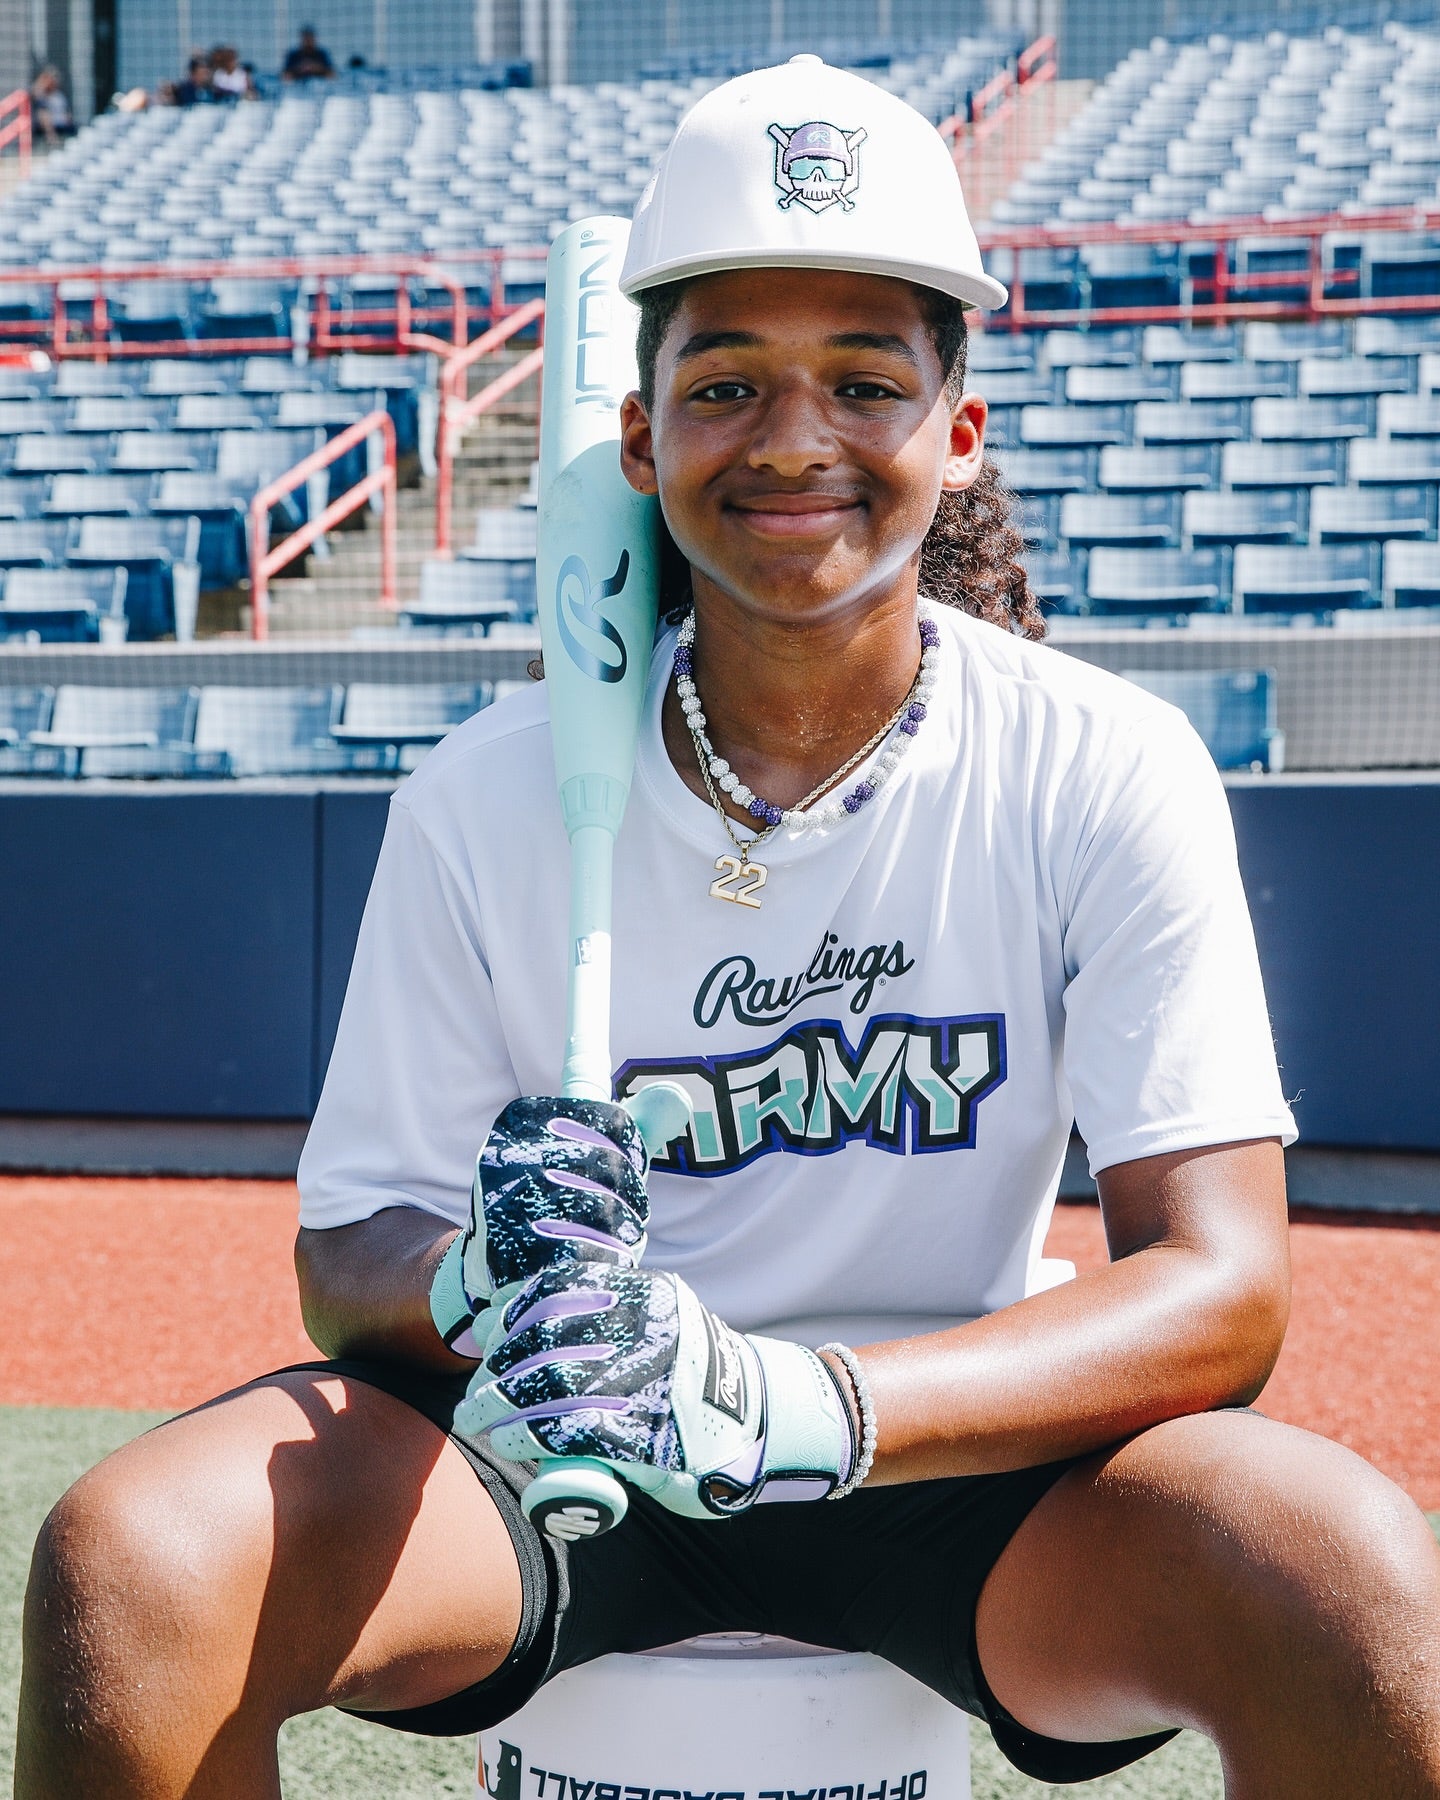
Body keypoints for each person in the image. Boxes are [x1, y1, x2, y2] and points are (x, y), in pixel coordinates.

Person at [15, 54, 1440, 1800]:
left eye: (863, 379)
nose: (792, 439)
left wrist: (802, 1409)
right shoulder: (487, 791)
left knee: (1351, 1585)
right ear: (639, 436)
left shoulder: (1104, 766)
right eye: (726, 383)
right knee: (133, 1568)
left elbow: (1225, 1290)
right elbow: (344, 1261)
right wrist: (475, 1275)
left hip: (938, 1459)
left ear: (956, 430)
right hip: (563, 1460)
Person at [28, 66, 73, 143]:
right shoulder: (41, 95)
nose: (53, 82)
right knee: (43, 113)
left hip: (62, 122)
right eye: (51, 79)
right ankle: (51, 137)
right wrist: (42, 82)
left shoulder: (59, 96)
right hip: (46, 126)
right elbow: (34, 92)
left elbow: (66, 111)